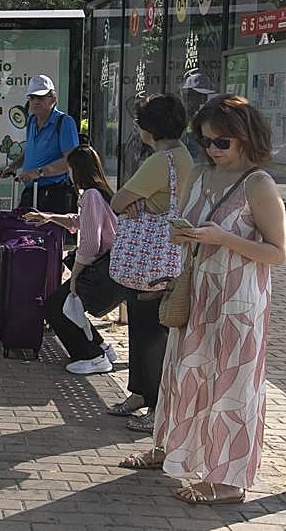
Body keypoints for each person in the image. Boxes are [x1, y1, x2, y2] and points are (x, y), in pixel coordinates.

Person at [119, 95, 286, 505]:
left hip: (239, 301)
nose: (212, 149)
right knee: (181, 373)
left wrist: (224, 239)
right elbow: (192, 223)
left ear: (246, 138)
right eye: (206, 141)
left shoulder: (258, 184)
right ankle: (169, 450)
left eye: (222, 142)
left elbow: (278, 252)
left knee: (232, 385)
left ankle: (228, 480)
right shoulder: (201, 173)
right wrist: (184, 235)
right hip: (196, 291)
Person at [107, 94, 195, 433]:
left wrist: (135, 204)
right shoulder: (184, 156)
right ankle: (140, 393)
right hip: (168, 257)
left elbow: (118, 201)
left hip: (150, 262)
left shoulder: (161, 161)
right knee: (146, 329)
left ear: (148, 128)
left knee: (150, 333)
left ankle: (156, 406)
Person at [25, 145, 129, 374]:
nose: (69, 173)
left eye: (70, 168)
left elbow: (91, 243)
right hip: (113, 267)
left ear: (77, 170)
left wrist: (76, 275)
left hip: (104, 270)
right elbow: (81, 221)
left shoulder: (90, 195)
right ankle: (101, 347)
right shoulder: (101, 192)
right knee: (70, 305)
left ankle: (90, 356)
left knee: (57, 306)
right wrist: (50, 217)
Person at [0, 74, 80, 213]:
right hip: (31, 191)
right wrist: (11, 167)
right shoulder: (32, 121)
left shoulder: (65, 122)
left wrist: (39, 172)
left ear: (53, 100)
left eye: (40, 97)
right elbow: (30, 151)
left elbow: (71, 161)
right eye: (32, 97)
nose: (35, 102)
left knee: (46, 234)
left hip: (54, 194)